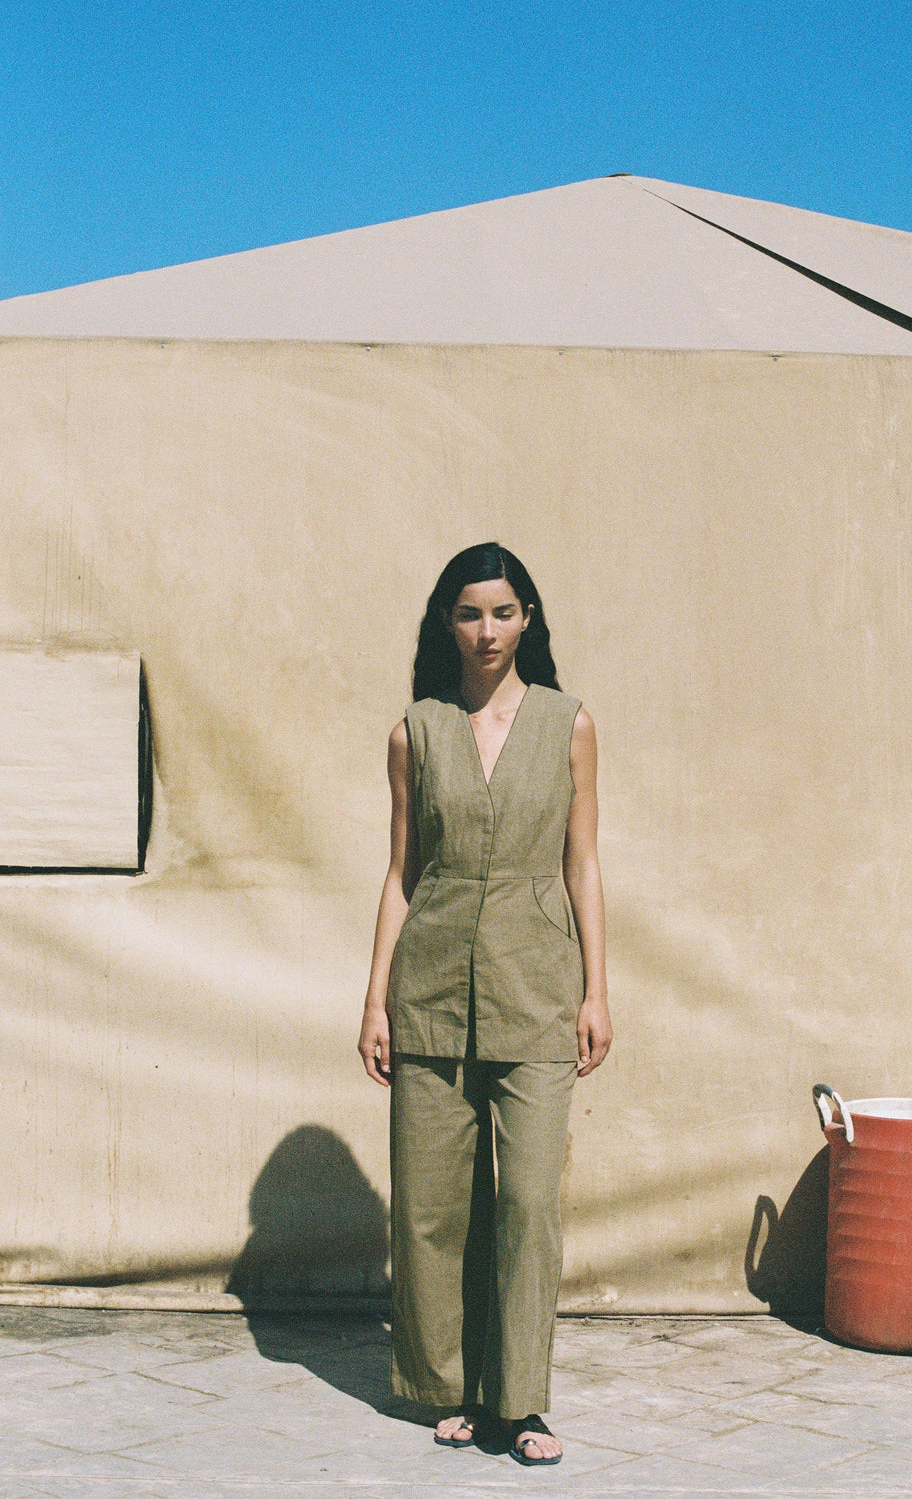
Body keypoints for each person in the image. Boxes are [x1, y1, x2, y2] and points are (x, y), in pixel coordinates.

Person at [358, 541, 612, 1467]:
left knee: (528, 1204)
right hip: (429, 989)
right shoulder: (415, 732)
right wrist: (377, 1001)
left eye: (503, 612)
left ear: (528, 619)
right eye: (469, 613)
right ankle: (455, 1389)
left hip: (538, 986)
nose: (487, 630)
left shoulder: (568, 723)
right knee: (432, 1208)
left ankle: (523, 1401)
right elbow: (401, 874)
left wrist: (597, 989)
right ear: (447, 623)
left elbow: (582, 864)